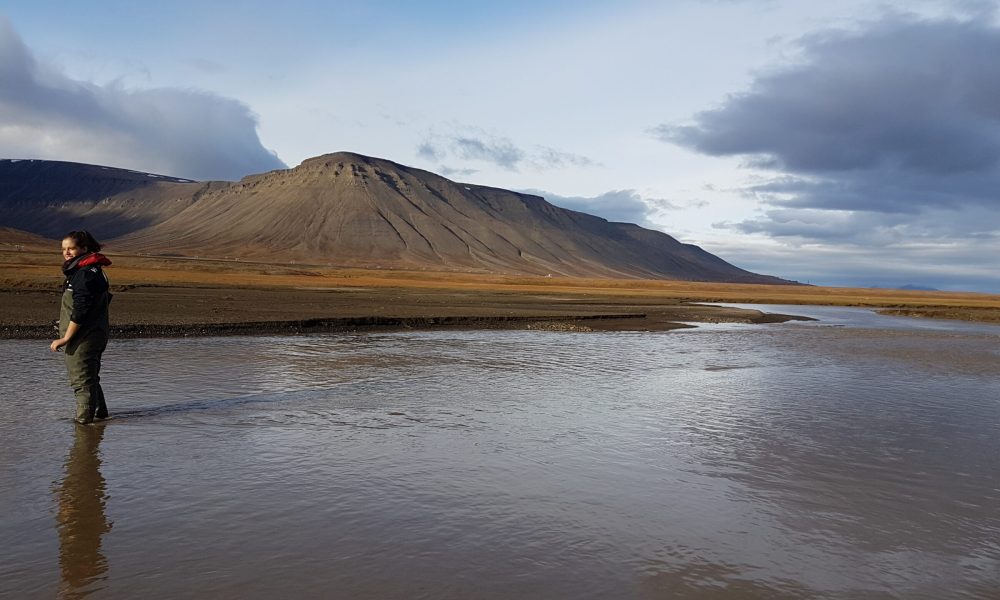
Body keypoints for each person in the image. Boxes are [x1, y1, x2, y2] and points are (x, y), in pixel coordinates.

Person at [50, 231, 113, 424]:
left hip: (84, 337)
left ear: (84, 248)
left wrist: (65, 338)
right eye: (63, 249)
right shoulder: (92, 271)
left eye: (71, 248)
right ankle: (101, 415)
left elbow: (81, 310)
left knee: (81, 381)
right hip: (95, 333)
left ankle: (84, 427)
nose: (67, 253)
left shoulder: (84, 274)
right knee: (90, 376)